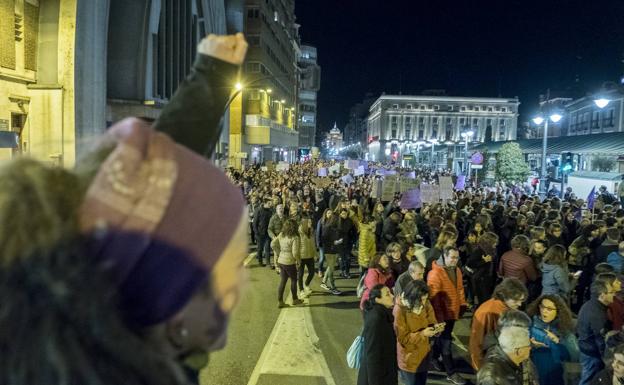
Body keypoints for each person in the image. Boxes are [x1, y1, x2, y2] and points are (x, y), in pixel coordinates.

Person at [427, 246, 467, 385]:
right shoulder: (435, 274)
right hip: (442, 316)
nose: (455, 260)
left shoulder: (456, 270)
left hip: (452, 313)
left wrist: (462, 305)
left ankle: (432, 358)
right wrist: (439, 319)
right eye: (452, 257)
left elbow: (460, 289)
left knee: (443, 338)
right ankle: (451, 372)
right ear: (445, 256)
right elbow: (434, 300)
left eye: (457, 258)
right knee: (446, 342)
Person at [469, 278, 528, 370]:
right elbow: (476, 342)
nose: (520, 304)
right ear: (504, 296)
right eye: (516, 301)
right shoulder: (486, 312)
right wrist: (480, 367)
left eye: (521, 300)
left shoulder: (508, 307)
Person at [394, 280, 440, 385]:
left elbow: (432, 319)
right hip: (409, 359)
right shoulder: (400, 310)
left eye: (425, 299)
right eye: (421, 300)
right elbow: (403, 338)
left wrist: (435, 328)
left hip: (424, 355)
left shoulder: (425, 303)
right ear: (412, 297)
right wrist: (423, 334)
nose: (424, 303)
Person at [527, 294, 578, 385]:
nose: (544, 311)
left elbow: (574, 356)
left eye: (549, 309)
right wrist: (530, 346)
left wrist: (558, 342)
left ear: (558, 311)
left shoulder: (564, 330)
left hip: (556, 376)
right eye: (542, 307)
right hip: (536, 376)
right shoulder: (530, 326)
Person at [357, 284, 398, 385]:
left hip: (385, 372)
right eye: (387, 295)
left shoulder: (383, 314)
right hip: (377, 377)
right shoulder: (376, 319)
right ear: (378, 299)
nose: (392, 296)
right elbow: (372, 355)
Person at [578, 280, 617, 385]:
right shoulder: (597, 315)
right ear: (602, 295)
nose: (614, 294)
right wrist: (607, 361)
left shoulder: (591, 304)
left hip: (586, 349)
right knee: (588, 380)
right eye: (611, 292)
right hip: (592, 355)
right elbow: (600, 341)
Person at [466, 231, 498, 306]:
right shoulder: (479, 250)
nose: (496, 244)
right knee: (482, 301)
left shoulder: (491, 250)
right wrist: (484, 261)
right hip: (480, 280)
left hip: (488, 279)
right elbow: (470, 264)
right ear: (489, 242)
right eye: (494, 242)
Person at [319, 209, 341, 295]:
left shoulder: (334, 227)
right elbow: (324, 239)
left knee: (330, 267)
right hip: (329, 250)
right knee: (331, 269)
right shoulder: (326, 226)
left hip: (334, 249)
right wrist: (334, 243)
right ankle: (333, 287)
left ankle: (324, 282)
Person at [298, 216, 317, 298]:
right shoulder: (299, 232)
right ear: (305, 223)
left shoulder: (311, 231)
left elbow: (313, 244)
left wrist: (316, 254)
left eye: (311, 222)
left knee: (312, 272)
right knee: (300, 275)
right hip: (301, 257)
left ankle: (306, 284)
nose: (310, 223)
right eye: (309, 222)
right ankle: (301, 290)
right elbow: (296, 246)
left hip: (310, 256)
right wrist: (296, 258)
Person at [254, 197, 273, 266]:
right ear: (266, 203)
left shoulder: (270, 211)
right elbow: (255, 223)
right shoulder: (258, 210)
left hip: (267, 233)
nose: (271, 204)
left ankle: (268, 263)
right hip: (259, 234)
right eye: (270, 203)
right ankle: (260, 262)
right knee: (260, 249)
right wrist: (256, 233)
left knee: (267, 249)